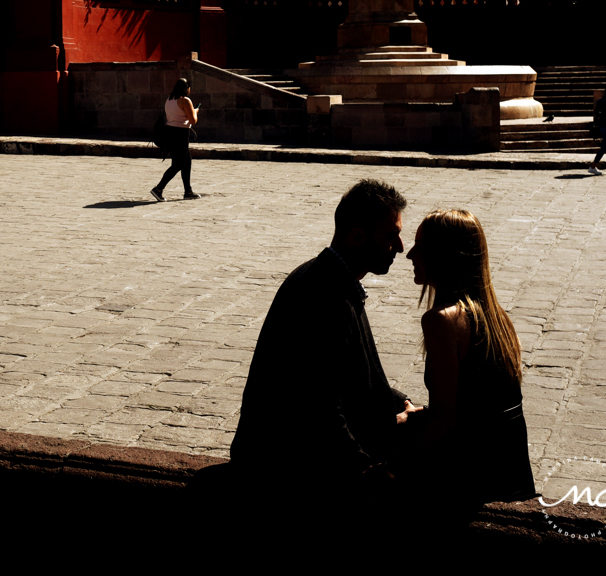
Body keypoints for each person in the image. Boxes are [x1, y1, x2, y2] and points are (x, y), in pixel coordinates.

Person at [223, 180, 419, 525]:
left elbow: (347, 373)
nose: (400, 247)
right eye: (391, 235)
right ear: (357, 237)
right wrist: (368, 469)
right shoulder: (326, 297)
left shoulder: (332, 280)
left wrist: (395, 401)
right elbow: (320, 410)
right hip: (287, 481)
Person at [402, 209, 536, 518]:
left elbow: (445, 422)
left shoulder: (440, 321)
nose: (410, 254)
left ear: (444, 255)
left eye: (420, 246)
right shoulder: (498, 317)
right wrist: (419, 412)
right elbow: (482, 405)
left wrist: (395, 467)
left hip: (472, 483)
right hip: (511, 475)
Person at [150, 78, 200, 201]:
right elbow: (193, 120)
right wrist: (195, 111)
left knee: (186, 161)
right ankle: (158, 188)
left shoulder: (169, 99)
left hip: (170, 132)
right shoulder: (185, 100)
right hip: (181, 133)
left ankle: (188, 191)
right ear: (186, 88)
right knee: (178, 164)